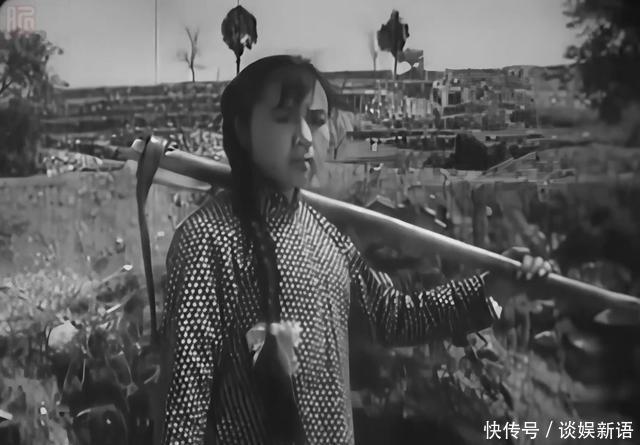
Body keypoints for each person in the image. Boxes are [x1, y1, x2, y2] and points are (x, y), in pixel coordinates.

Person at [157, 55, 552, 445]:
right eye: (283, 117)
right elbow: (183, 410)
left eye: (316, 119)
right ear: (243, 130)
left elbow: (394, 317)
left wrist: (493, 288)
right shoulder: (206, 242)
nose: (305, 136)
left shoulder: (325, 236)